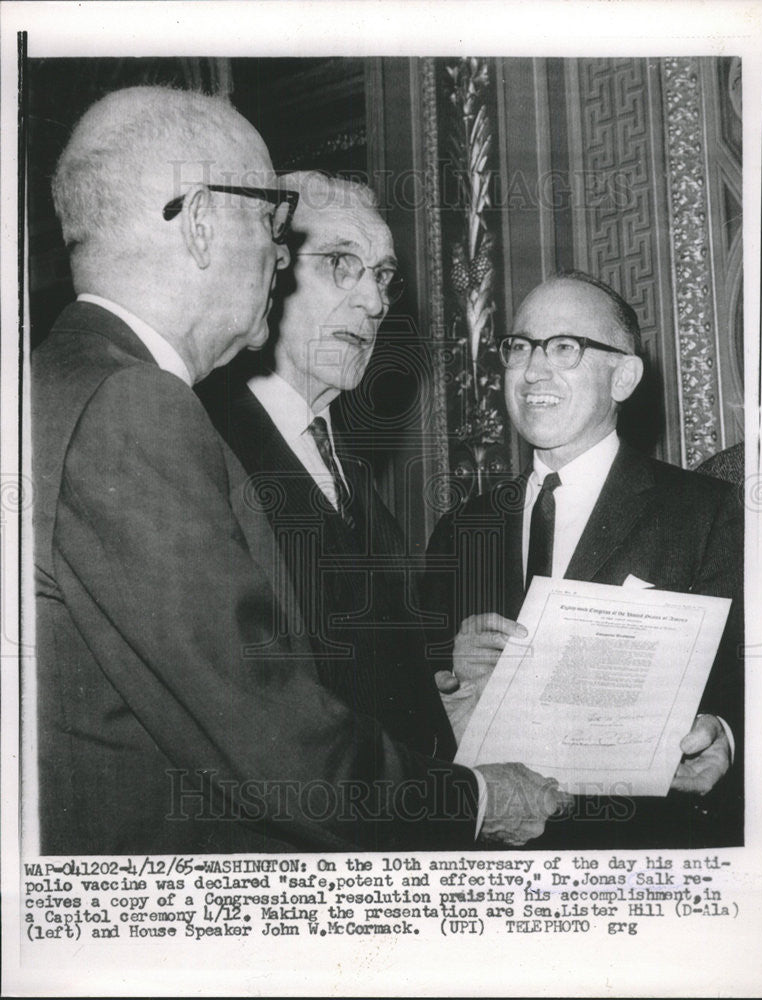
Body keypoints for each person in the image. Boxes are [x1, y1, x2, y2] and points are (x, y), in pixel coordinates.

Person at [32, 85, 567, 855]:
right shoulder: (131, 405)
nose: (275, 257)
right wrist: (476, 799)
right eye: (271, 224)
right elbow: (261, 727)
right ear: (205, 225)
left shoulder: (60, 380)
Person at [423, 271, 744, 848]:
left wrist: (722, 734)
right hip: (486, 865)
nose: (533, 370)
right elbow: (405, 722)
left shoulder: (709, 512)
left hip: (640, 856)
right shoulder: (458, 531)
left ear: (623, 376)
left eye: (564, 348)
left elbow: (747, 680)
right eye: (519, 347)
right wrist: (445, 680)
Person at [201, 171, 455, 760]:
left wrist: (437, 668)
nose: (373, 302)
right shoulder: (209, 448)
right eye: (340, 263)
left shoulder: (355, 482)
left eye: (383, 277)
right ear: (273, 270)